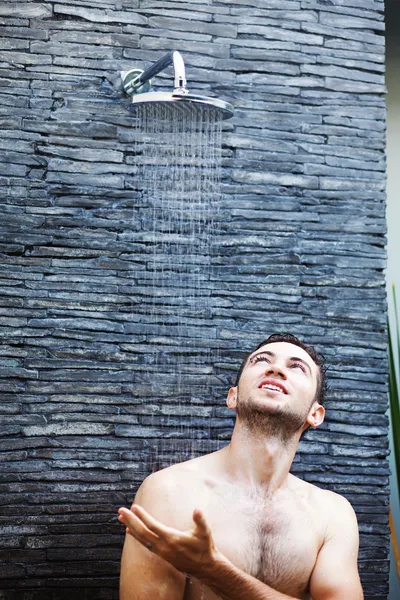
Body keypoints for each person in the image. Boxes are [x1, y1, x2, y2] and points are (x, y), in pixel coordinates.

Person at [118, 333, 364, 600]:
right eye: (261, 360)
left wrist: (211, 570)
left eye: (297, 367)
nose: (276, 368)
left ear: (315, 414)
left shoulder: (332, 515)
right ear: (232, 397)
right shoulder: (171, 492)